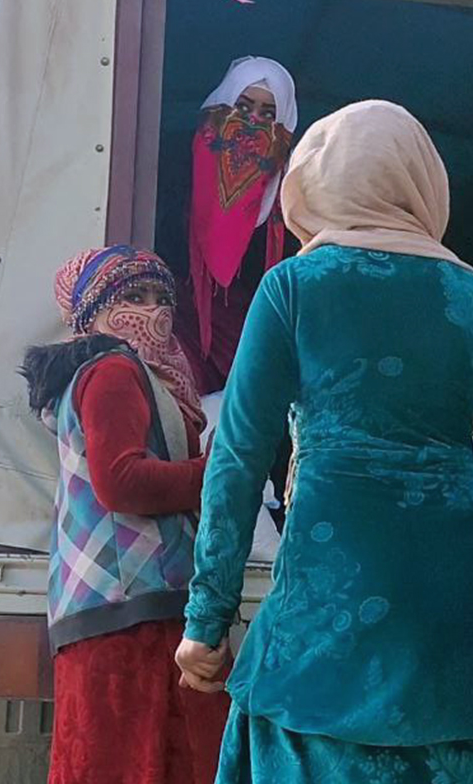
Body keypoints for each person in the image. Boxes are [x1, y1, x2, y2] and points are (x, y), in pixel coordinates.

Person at [175, 101, 473, 784]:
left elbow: (236, 459)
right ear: (420, 184)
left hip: (327, 604)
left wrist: (207, 621)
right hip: (452, 609)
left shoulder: (292, 289)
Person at [18, 245, 244, 784]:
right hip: (138, 617)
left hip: (113, 614)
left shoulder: (119, 374)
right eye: (130, 299)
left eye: (160, 298)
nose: (152, 312)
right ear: (93, 312)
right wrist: (223, 477)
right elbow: (120, 482)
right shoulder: (115, 371)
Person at [175, 56, 300, 533]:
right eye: (243, 106)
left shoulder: (293, 206)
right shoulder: (176, 175)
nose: (251, 124)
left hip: (262, 337)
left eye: (268, 115)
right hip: (190, 330)